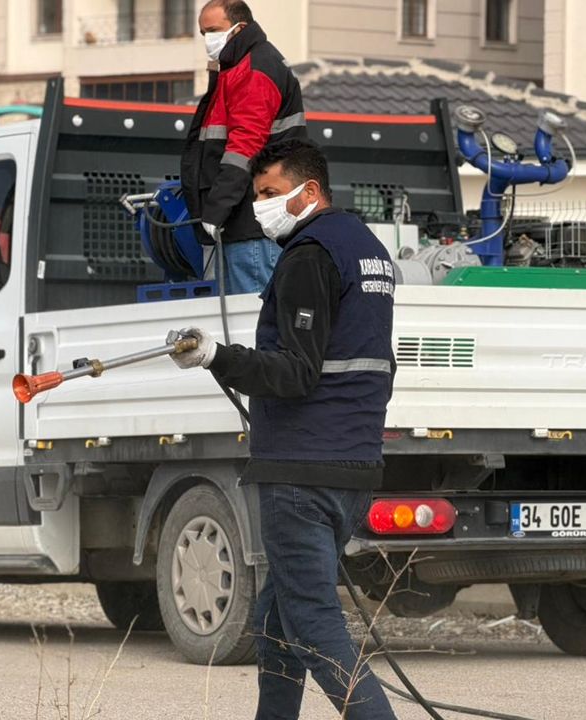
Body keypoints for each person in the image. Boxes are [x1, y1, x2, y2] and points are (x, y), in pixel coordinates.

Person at [170, 140, 398, 720]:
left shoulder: (308, 256)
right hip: (351, 461)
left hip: (302, 468)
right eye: (257, 196)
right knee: (276, 620)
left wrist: (217, 357)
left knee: (315, 625)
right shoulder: (366, 250)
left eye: (271, 194)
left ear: (309, 191)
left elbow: (296, 372)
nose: (262, 206)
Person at [181, 0, 307, 295]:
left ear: (240, 27)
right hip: (247, 223)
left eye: (213, 30)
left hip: (249, 226)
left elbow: (244, 147)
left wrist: (216, 209)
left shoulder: (253, 70)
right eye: (203, 33)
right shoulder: (242, 67)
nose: (208, 40)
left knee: (252, 321)